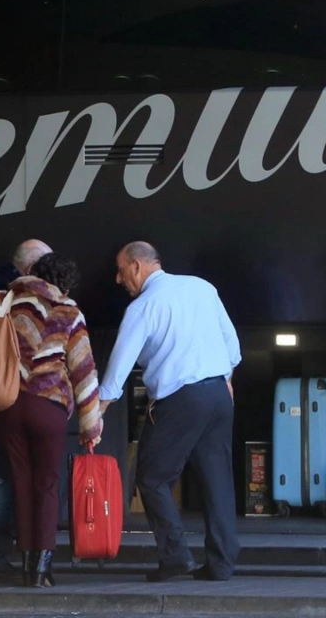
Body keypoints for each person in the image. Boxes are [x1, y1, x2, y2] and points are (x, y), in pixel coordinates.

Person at [98, 241, 242, 582]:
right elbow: (232, 345)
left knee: (152, 477)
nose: (118, 279)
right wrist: (226, 378)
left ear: (136, 266)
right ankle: (222, 563)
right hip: (218, 393)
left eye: (120, 270)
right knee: (218, 480)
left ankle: (176, 556)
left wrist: (97, 413)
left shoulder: (143, 307)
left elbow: (119, 368)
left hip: (181, 399)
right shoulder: (202, 288)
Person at [0, 252, 101, 587]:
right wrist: (91, 425)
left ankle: (26, 558)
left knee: (20, 482)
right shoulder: (70, 312)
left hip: (9, 404)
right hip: (49, 407)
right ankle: (41, 569)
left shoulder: (3, 302)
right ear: (65, 283)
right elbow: (83, 370)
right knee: (47, 484)